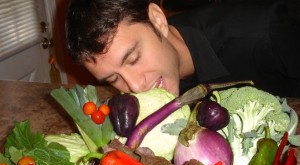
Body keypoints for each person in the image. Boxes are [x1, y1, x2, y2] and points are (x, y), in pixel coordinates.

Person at [65, 0, 300, 97]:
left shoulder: (267, 31)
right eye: (113, 78)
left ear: (158, 20)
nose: (136, 87)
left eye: (134, 58)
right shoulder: (161, 74)